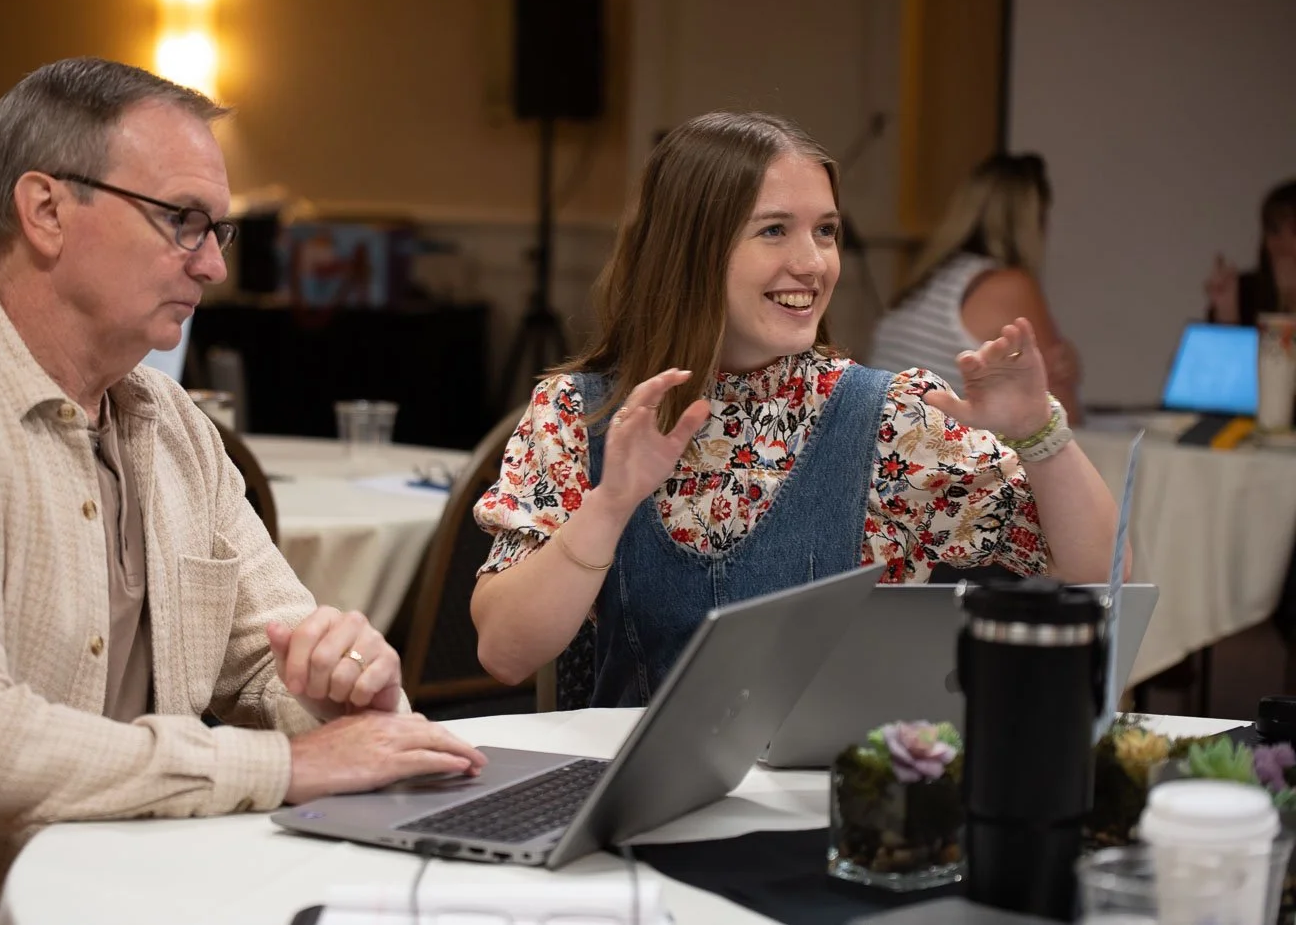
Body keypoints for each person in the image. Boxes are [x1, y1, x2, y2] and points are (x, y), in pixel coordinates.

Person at [0, 58, 484, 924]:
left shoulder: (175, 428)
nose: (211, 268)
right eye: (183, 221)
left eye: (216, 231)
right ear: (45, 211)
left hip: (112, 901)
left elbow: (270, 654)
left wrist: (339, 689)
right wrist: (292, 766)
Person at [470, 112, 1124, 706]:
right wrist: (610, 504)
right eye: (774, 231)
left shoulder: (890, 419)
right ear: (690, 250)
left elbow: (1098, 575)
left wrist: (1039, 433)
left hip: (828, 813)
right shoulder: (578, 414)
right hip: (638, 815)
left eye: (827, 232)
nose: (813, 263)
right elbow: (506, 652)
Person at [867, 153, 1083, 424]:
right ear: (1035, 220)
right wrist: (1070, 378)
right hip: (937, 458)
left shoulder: (925, 280)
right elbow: (1061, 420)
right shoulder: (1010, 286)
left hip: (886, 447)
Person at [1204, 179, 1296, 326]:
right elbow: (1224, 348)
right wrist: (1226, 314)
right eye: (1273, 230)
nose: (1280, 242)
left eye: (1294, 231)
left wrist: (1289, 301)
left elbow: (1281, 349)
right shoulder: (1246, 291)